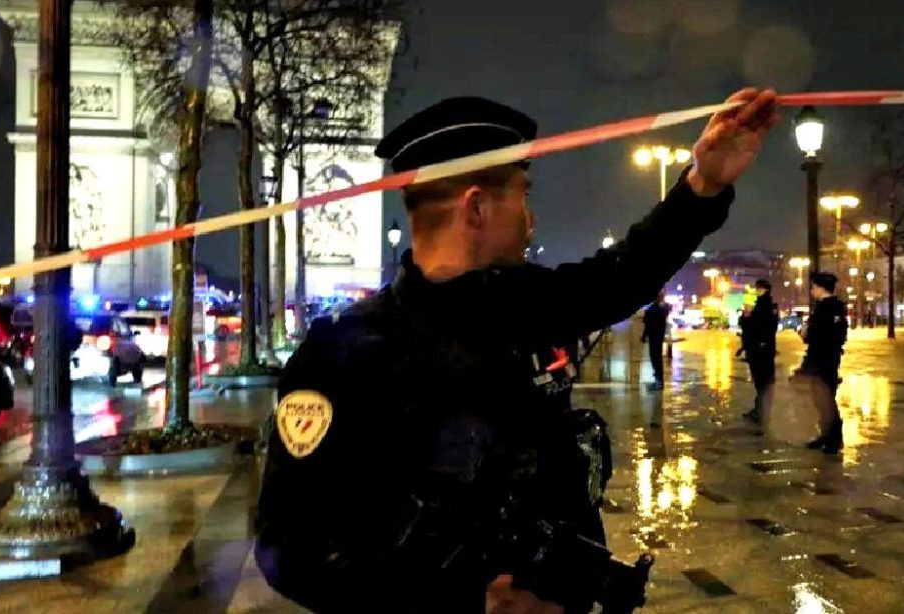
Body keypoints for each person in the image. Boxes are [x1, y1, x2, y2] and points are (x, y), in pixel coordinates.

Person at [253, 88, 780, 613]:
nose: (532, 220)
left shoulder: (526, 301)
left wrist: (703, 184)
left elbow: (625, 273)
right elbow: (291, 546)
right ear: (477, 207)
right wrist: (466, 599)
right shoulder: (348, 351)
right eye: (523, 195)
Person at [795, 272, 848, 454]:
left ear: (820, 288)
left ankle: (833, 439)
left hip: (822, 360)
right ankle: (827, 435)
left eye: (813, 287)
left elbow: (822, 336)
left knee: (825, 399)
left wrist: (806, 334)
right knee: (821, 399)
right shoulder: (833, 308)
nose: (811, 291)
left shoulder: (827, 308)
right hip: (826, 358)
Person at [740, 279, 778, 425]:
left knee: (762, 380)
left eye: (758, 289)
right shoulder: (763, 305)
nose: (757, 291)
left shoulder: (764, 306)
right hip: (760, 349)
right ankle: (759, 409)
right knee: (762, 381)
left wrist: (747, 317)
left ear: (764, 290)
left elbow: (757, 327)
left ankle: (761, 411)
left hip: (760, 350)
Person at [640, 290, 670, 391]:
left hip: (654, 337)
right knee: (657, 358)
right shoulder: (662, 309)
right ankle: (658, 381)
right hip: (659, 336)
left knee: (655, 358)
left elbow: (647, 324)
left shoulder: (652, 309)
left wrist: (644, 336)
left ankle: (658, 382)